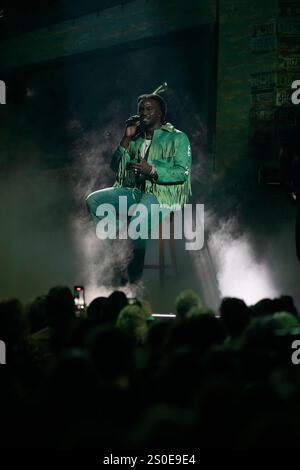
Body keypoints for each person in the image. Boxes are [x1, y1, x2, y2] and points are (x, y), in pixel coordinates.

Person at [86, 93, 192, 283]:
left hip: (162, 196)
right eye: (141, 109)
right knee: (94, 201)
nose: (143, 113)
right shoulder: (136, 140)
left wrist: (152, 170)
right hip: (136, 192)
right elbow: (115, 167)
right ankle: (118, 250)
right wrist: (125, 139)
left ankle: (133, 278)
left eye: (148, 108)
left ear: (160, 113)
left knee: (136, 229)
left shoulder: (177, 138)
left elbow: (182, 173)